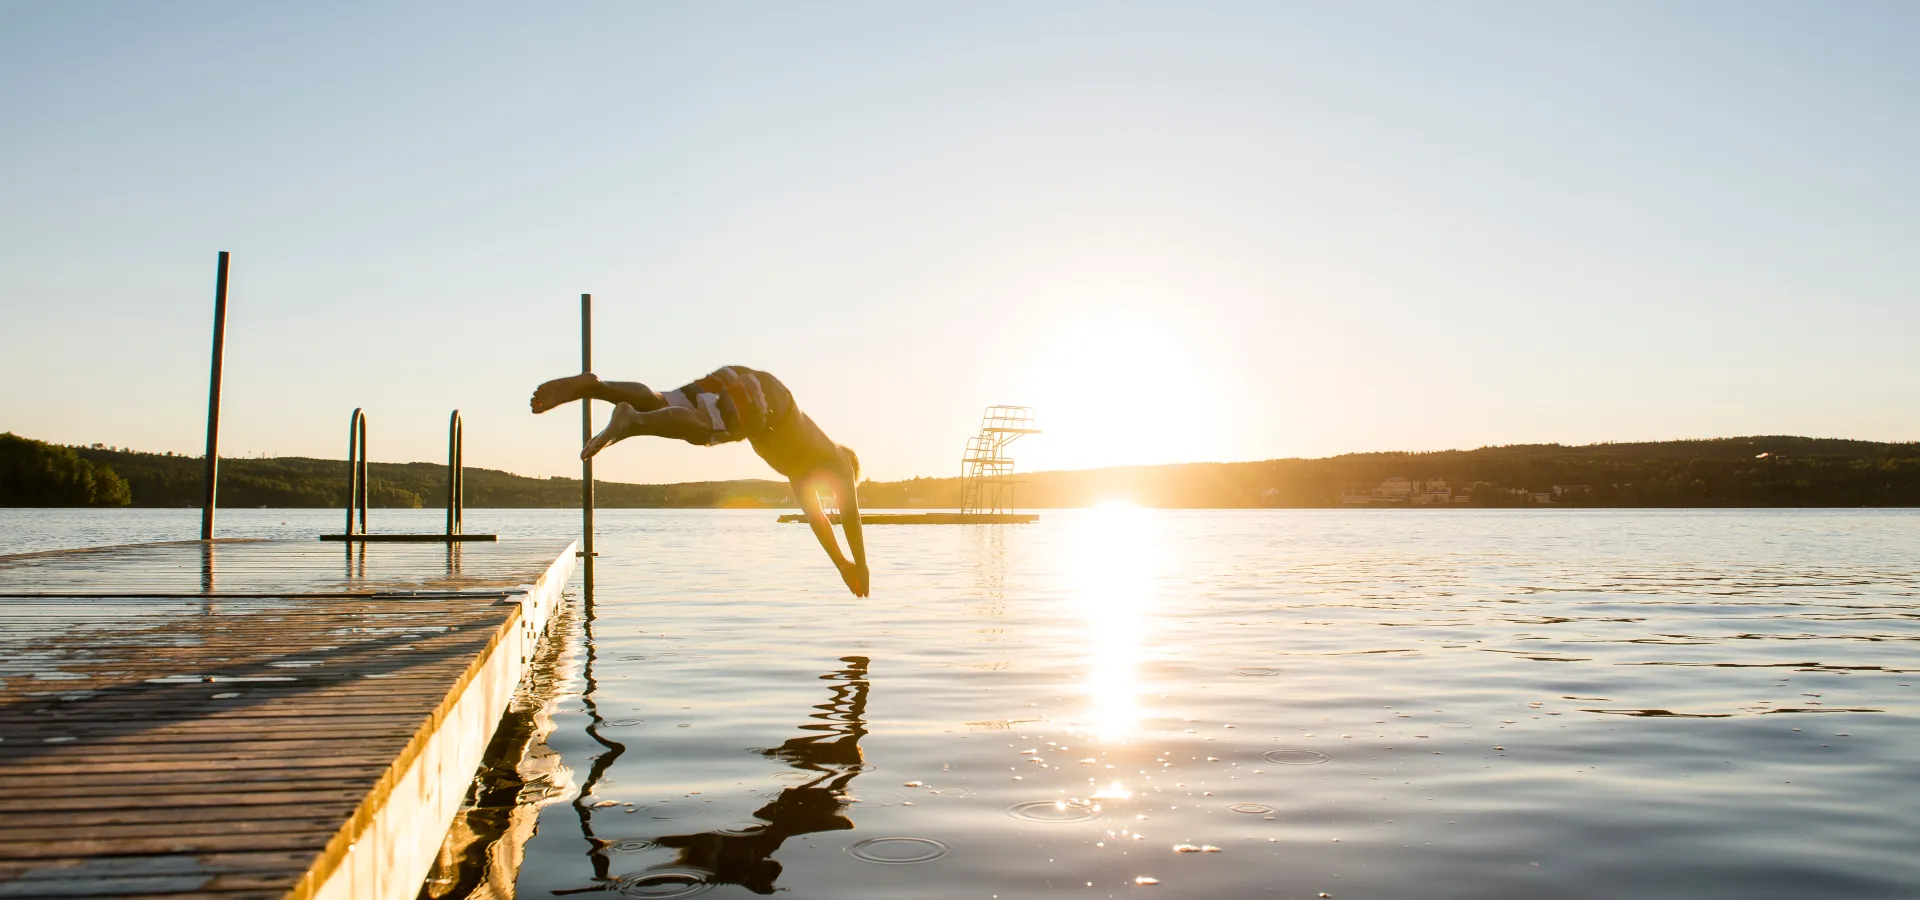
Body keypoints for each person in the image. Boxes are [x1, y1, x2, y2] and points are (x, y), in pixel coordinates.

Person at [530, 366, 868, 596]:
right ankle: (633, 422)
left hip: (743, 380)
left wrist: (842, 564)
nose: (834, 496)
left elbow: (819, 521)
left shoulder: (800, 474)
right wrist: (860, 567)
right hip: (766, 401)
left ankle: (596, 386)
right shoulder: (837, 461)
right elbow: (848, 518)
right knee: (703, 430)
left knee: (667, 401)